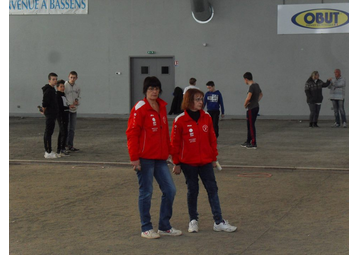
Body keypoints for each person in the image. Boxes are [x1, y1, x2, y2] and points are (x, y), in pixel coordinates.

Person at [170, 88, 237, 233]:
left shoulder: (206, 117)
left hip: (206, 161)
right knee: (192, 190)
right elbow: (174, 144)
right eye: (197, 99)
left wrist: (213, 158)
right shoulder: (180, 120)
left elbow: (212, 139)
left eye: (201, 99)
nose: (201, 102)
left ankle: (218, 221)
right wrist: (176, 162)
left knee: (212, 190)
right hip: (188, 163)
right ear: (189, 101)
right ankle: (193, 220)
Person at [126, 76, 182, 239]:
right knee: (146, 192)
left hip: (160, 158)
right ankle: (146, 227)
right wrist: (134, 158)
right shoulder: (140, 108)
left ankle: (164, 226)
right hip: (144, 159)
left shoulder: (162, 106)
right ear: (145, 90)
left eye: (156, 88)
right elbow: (132, 133)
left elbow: (165, 133)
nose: (154, 91)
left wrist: (172, 154)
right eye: (151, 88)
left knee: (170, 190)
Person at [241, 72, 263, 149]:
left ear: (246, 79)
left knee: (251, 125)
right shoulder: (257, 85)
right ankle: (248, 140)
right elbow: (261, 94)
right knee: (250, 124)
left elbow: (248, 97)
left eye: (244, 80)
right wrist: (256, 101)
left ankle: (253, 143)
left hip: (251, 108)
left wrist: (245, 104)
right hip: (256, 106)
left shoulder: (251, 87)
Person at [41, 73, 59, 159]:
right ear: (49, 80)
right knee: (48, 132)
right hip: (50, 114)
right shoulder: (48, 90)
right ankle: (47, 151)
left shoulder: (53, 89)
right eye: (53, 79)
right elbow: (45, 102)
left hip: (53, 113)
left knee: (50, 132)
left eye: (56, 79)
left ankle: (49, 150)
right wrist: (44, 110)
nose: (55, 81)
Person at [56, 80, 74, 157]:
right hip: (61, 116)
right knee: (62, 132)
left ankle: (62, 148)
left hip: (65, 115)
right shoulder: (57, 96)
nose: (63, 88)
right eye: (61, 86)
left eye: (63, 86)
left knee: (64, 131)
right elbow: (60, 107)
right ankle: (60, 149)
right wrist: (68, 107)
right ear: (57, 87)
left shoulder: (63, 95)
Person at [64, 71, 81, 151]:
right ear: (68, 77)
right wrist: (67, 104)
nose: (72, 79)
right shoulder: (65, 86)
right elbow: (62, 97)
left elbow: (79, 96)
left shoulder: (77, 87)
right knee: (66, 128)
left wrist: (77, 101)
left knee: (72, 128)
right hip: (66, 110)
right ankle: (65, 145)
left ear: (76, 78)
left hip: (74, 110)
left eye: (74, 77)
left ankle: (70, 145)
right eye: (71, 77)